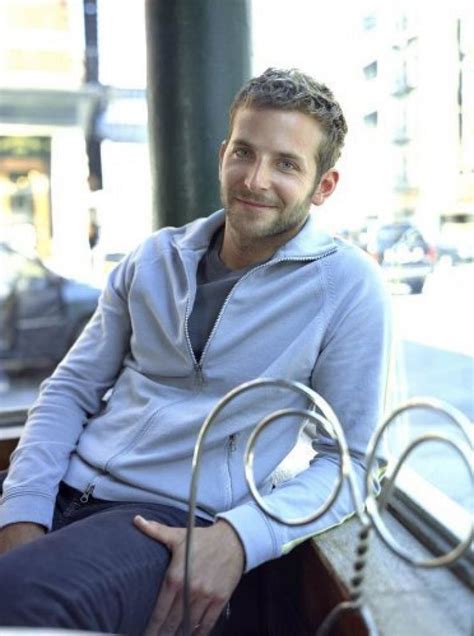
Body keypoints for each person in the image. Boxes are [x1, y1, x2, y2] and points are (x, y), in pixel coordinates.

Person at [0, 68, 391, 634]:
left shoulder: (348, 285)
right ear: (222, 154)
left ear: (323, 186)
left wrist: (240, 536)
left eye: (286, 164)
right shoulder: (153, 258)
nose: (255, 179)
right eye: (244, 152)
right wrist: (23, 508)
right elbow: (70, 389)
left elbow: (354, 463)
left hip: (168, 519)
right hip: (64, 486)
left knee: (18, 599)